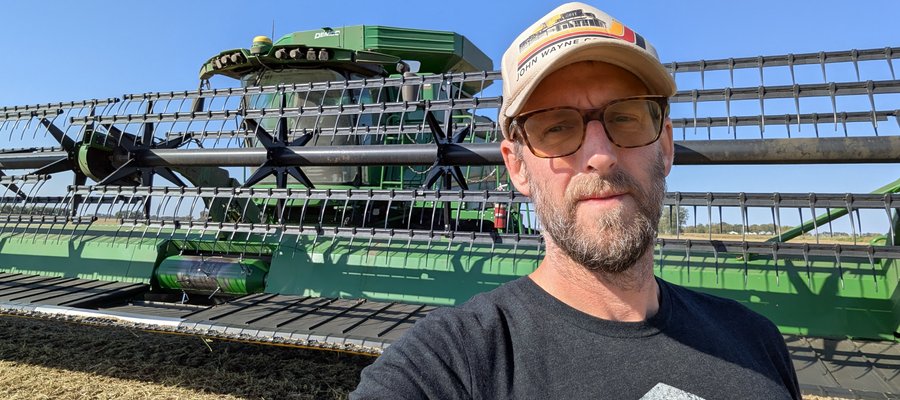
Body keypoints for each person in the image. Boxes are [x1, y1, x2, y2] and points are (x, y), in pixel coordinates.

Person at [352, 3, 801, 399]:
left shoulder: (757, 341)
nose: (601, 157)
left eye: (624, 117)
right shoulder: (454, 365)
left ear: (665, 146)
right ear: (518, 167)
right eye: (556, 127)